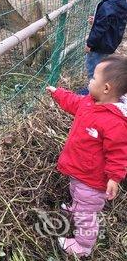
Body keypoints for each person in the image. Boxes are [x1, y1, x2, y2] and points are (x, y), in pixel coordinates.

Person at [46, 55, 127, 257]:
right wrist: (58, 93)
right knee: (77, 193)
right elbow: (73, 102)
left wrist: (114, 177)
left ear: (106, 88)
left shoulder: (115, 122)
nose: (88, 81)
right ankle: (76, 208)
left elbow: (119, 153)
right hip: (80, 172)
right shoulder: (90, 102)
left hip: (93, 180)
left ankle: (83, 246)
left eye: (92, 79)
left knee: (87, 214)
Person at [85, 0, 127, 81]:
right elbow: (112, 22)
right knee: (104, 70)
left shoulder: (107, 5)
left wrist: (90, 44)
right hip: (111, 45)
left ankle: (93, 94)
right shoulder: (122, 3)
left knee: (93, 72)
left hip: (99, 46)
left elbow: (100, 28)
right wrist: (96, 20)